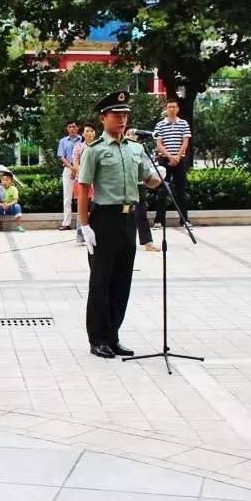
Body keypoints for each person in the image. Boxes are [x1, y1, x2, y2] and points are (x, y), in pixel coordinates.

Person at [78, 91, 162, 359]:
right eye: (117, 115)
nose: (122, 119)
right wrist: (84, 225)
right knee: (101, 280)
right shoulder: (94, 150)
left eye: (125, 115)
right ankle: (98, 338)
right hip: (104, 218)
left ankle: (113, 335)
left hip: (129, 219)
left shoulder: (136, 148)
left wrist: (162, 177)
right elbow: (83, 188)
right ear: (104, 118)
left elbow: (147, 178)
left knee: (122, 281)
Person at [153, 98, 192, 228]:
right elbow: (159, 144)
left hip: (180, 160)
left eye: (174, 107)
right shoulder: (160, 125)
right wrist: (170, 157)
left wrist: (177, 157)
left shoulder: (184, 124)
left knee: (181, 191)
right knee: (162, 190)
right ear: (166, 108)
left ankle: (185, 220)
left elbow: (185, 142)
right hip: (164, 160)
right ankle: (159, 221)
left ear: (178, 109)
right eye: (169, 107)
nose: (171, 109)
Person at [126, 128, 158, 252]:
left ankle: (147, 242)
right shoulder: (120, 148)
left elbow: (146, 167)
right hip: (125, 186)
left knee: (141, 213)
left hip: (138, 185)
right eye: (127, 134)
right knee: (124, 213)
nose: (129, 136)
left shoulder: (139, 149)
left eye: (132, 134)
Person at [71, 123, 98, 245]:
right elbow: (75, 162)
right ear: (83, 134)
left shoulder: (99, 146)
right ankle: (80, 236)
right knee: (82, 208)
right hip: (81, 180)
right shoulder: (78, 147)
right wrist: (84, 172)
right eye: (87, 131)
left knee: (95, 208)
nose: (89, 133)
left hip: (96, 182)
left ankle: (96, 233)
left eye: (92, 131)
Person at [57, 120, 82, 231]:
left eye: (74, 126)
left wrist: (76, 168)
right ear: (67, 128)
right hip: (68, 170)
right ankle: (66, 223)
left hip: (81, 170)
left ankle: (82, 223)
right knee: (67, 198)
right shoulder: (63, 141)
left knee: (82, 197)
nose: (72, 128)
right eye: (69, 127)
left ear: (77, 128)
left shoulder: (83, 139)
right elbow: (62, 157)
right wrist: (72, 168)